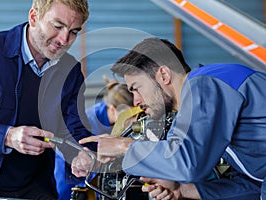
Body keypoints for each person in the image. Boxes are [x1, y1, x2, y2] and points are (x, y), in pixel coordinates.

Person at [72, 38, 266, 199]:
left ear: (163, 75)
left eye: (136, 88)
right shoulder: (195, 109)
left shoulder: (204, 82)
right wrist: (183, 190)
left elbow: (187, 163)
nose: (136, 101)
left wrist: (125, 146)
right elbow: (253, 185)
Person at [0, 0, 94, 199]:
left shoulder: (71, 72)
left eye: (74, 31)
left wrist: (82, 153)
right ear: (34, 17)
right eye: (57, 26)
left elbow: (74, 129)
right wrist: (7, 137)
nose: (64, 39)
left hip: (37, 191)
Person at [55, 78, 134, 199]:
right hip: (68, 167)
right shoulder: (89, 122)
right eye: (128, 117)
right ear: (113, 109)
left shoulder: (115, 121)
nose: (132, 123)